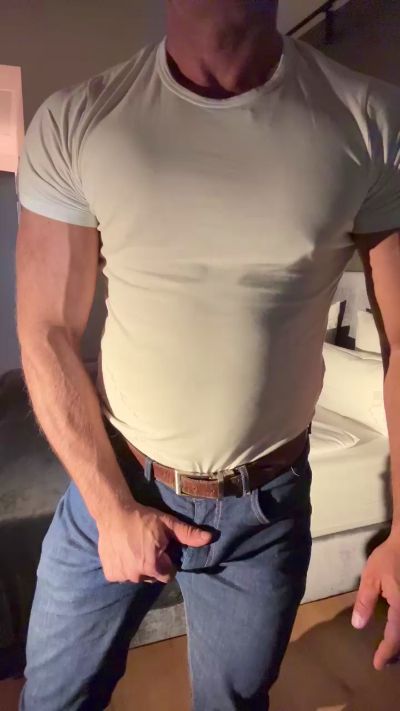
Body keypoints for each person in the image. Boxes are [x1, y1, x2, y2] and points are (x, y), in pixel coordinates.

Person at [16, 1, 400, 709]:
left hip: (266, 508)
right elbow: (45, 330)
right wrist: (111, 509)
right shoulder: (79, 119)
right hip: (116, 483)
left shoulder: (370, 119)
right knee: (54, 700)